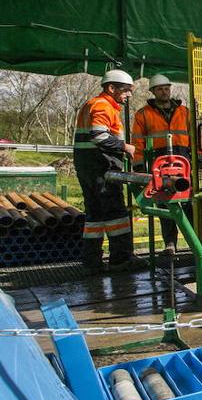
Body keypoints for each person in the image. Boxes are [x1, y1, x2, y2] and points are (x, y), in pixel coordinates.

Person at [73, 69, 138, 273]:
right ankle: (121, 260)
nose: (129, 95)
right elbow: (99, 137)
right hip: (101, 169)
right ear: (111, 88)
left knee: (95, 217)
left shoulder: (91, 104)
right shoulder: (103, 105)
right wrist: (125, 147)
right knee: (116, 214)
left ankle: (91, 262)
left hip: (88, 168)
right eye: (126, 90)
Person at [131, 74, 192, 255]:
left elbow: (197, 137)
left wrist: (200, 157)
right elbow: (138, 142)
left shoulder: (184, 111)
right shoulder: (143, 114)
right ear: (153, 91)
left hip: (183, 160)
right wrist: (139, 166)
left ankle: (196, 242)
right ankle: (170, 244)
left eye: (166, 88)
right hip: (159, 161)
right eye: (160, 89)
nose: (164, 92)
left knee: (188, 202)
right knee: (165, 203)